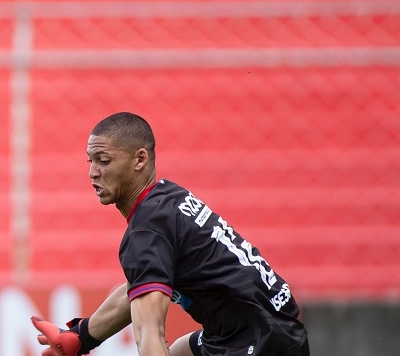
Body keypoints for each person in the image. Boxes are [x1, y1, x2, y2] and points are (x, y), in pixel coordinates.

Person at [31, 112, 308, 356]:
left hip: (258, 343)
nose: (92, 173)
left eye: (103, 161)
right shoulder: (167, 197)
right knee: (179, 352)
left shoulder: (146, 231)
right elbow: (138, 285)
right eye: (90, 161)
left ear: (140, 159)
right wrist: (82, 336)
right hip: (267, 328)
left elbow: (148, 334)